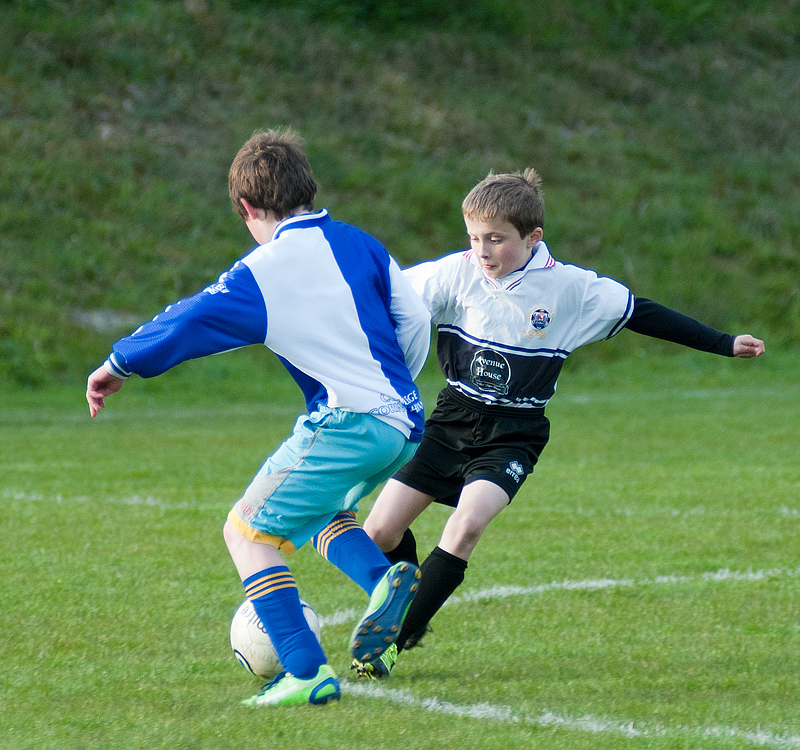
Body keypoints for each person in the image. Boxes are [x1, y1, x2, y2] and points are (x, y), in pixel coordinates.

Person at [350, 167, 765, 679]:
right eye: (475, 237)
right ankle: (402, 597)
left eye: (496, 240)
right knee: (379, 531)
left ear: (533, 238)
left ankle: (396, 636)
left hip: (514, 433)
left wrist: (724, 343)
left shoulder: (571, 289)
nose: (482, 250)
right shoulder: (453, 273)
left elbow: (645, 313)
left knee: (466, 525)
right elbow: (386, 299)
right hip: (451, 420)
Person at [85, 128, 430, 706]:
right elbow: (415, 317)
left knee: (246, 530)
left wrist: (121, 361)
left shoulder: (265, 268)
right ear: (307, 189)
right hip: (403, 424)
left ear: (247, 207)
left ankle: (304, 669)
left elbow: (192, 318)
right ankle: (382, 581)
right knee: (320, 513)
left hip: (347, 420)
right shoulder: (362, 243)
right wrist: (396, 387)